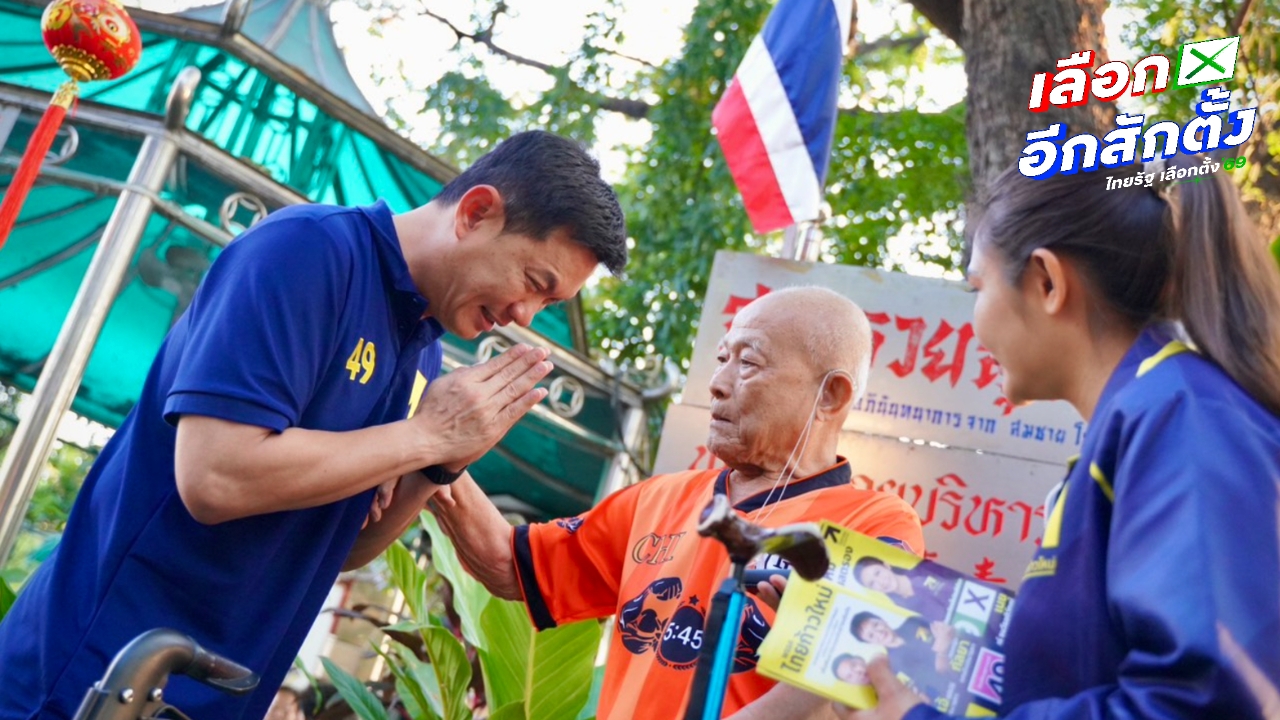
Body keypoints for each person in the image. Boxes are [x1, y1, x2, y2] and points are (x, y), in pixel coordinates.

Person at [0, 130, 628, 720]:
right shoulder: (309, 252)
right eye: (533, 283)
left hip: (211, 693)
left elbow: (341, 545)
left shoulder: (425, 351)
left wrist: (441, 464)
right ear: (476, 212)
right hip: (95, 673)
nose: (523, 315)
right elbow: (215, 477)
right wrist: (423, 436)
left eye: (547, 305)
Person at [839, 155, 1280, 720]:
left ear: (1047, 281)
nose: (973, 317)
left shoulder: (1180, 413)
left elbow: (1205, 702)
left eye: (977, 284)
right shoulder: (1146, 418)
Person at [430, 286, 927, 720]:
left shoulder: (876, 522)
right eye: (722, 359)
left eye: (748, 362)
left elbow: (851, 679)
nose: (718, 382)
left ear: (831, 395)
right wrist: (432, 449)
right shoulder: (663, 496)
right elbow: (510, 564)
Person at [852, 557, 954, 618]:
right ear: (872, 590)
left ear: (886, 566)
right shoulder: (900, 610)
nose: (881, 582)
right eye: (872, 583)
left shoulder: (924, 569)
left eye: (878, 573)